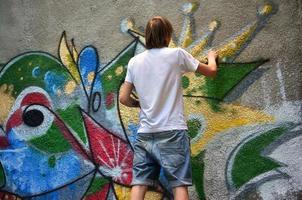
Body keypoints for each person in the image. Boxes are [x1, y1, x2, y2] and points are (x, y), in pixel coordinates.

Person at [119, 16, 217, 200]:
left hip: (145, 133)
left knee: (139, 183)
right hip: (173, 131)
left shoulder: (134, 62)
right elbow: (211, 71)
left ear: (148, 36)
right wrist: (211, 57)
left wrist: (138, 104)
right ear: (167, 35)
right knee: (179, 185)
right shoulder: (177, 55)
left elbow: (124, 98)